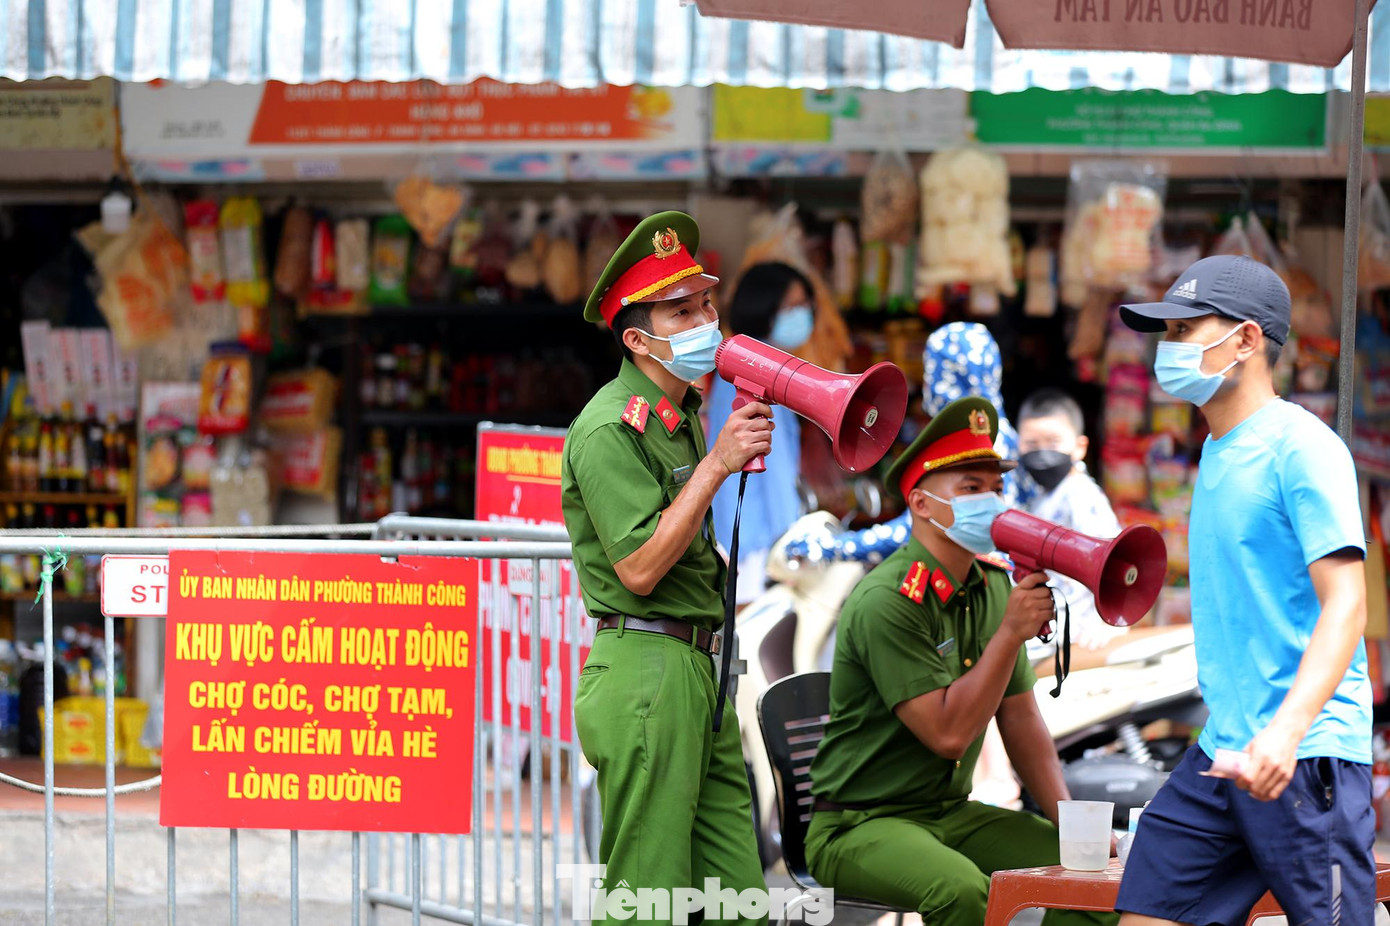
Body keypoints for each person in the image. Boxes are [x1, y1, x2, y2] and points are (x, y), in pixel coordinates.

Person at [1113, 255, 1373, 925]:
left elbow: (1347, 605)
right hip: (1224, 753)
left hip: (1305, 756)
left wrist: (1284, 735)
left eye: (1184, 330)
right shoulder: (1217, 448)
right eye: (1163, 335)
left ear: (1249, 339)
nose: (1168, 351)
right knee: (1147, 910)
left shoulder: (1302, 448)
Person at [803, 395, 1116, 926]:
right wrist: (1012, 633)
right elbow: (948, 735)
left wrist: (1069, 823)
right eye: (971, 489)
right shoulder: (890, 599)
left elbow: (1020, 718)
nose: (990, 502)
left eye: (996, 488)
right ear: (921, 503)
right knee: (961, 892)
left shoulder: (993, 585)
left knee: (1090, 879)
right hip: (859, 825)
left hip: (947, 812)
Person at [561, 212, 771, 924]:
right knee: (647, 902)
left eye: (707, 303)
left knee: (737, 898)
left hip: (695, 669)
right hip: (648, 665)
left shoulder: (679, 417)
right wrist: (716, 467)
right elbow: (642, 568)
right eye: (682, 311)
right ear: (636, 338)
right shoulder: (607, 426)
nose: (706, 319)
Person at [786, 321, 1039, 565]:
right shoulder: (1003, 432)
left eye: (932, 371)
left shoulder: (968, 443)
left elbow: (917, 526)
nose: (928, 384)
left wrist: (836, 548)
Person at [705, 262, 813, 605]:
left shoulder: (748, 364)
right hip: (758, 549)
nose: (802, 314)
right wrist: (791, 548)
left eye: (804, 305)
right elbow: (776, 471)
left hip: (742, 540)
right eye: (790, 306)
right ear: (763, 308)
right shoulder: (764, 373)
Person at [1016, 388, 1124, 650]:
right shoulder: (1041, 495)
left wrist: (1112, 623)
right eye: (1031, 444)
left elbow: (1114, 561)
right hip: (1049, 630)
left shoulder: (1081, 495)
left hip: (1075, 637)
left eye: (1053, 443)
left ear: (1079, 447)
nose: (1042, 453)